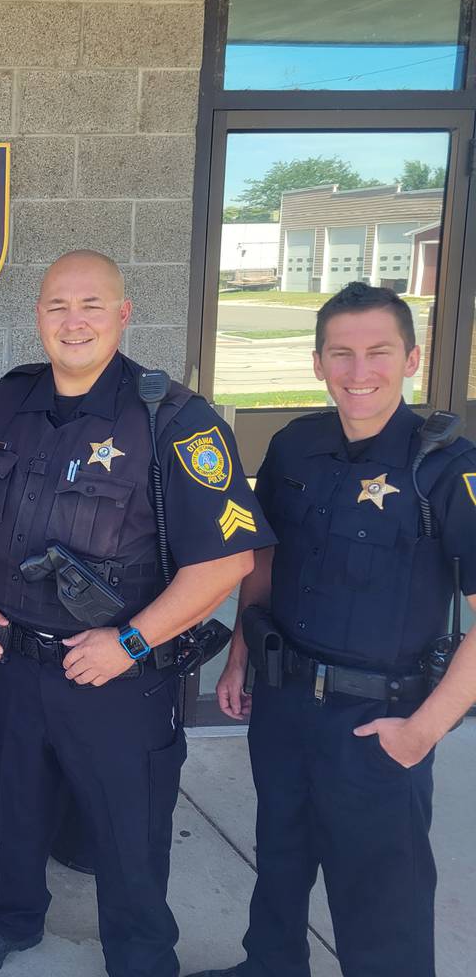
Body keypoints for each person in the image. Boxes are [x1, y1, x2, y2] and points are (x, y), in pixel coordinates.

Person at [0, 250, 275, 977]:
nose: (73, 321)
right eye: (57, 305)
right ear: (37, 316)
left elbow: (227, 560)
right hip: (13, 662)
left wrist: (129, 641)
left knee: (131, 831)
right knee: (17, 807)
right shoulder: (4, 402)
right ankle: (13, 918)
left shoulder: (174, 420)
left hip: (122, 678)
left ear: (123, 314)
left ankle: (141, 956)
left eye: (91, 305)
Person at [188, 283, 476, 977]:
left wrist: (422, 732)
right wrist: (238, 661)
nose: (358, 371)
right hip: (284, 702)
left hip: (379, 719)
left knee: (381, 901)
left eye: (378, 352)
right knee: (279, 860)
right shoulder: (293, 447)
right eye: (340, 354)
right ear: (318, 363)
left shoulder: (446, 466)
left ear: (410, 359)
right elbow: (265, 558)